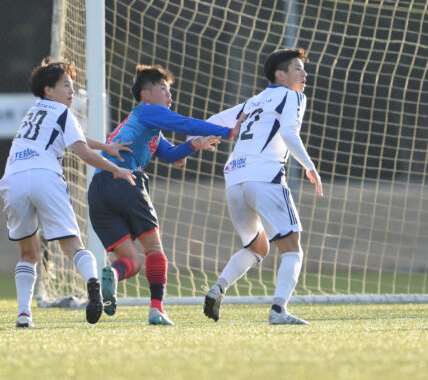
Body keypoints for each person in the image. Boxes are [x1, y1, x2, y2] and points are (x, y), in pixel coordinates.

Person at [88, 64, 242, 325]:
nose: (170, 95)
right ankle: (156, 310)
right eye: (163, 89)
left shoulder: (145, 126)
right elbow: (184, 123)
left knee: (131, 261)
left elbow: (171, 155)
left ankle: (112, 275)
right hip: (125, 180)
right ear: (146, 95)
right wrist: (228, 131)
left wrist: (193, 145)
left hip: (98, 189)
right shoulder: (148, 111)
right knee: (154, 249)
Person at [0, 58, 136, 328]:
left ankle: (24, 314)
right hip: (45, 176)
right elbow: (82, 151)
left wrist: (106, 147)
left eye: (72, 86)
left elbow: (75, 139)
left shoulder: (33, 113)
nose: (72, 91)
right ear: (48, 89)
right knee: (72, 245)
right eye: (66, 85)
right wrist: (115, 169)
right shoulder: (63, 113)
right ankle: (93, 284)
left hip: (13, 178)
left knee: (28, 254)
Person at [201, 47, 323, 325]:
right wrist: (308, 165)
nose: (304, 73)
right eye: (297, 68)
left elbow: (211, 122)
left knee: (258, 247)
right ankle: (279, 311)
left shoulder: (252, 102)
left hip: (234, 179)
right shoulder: (293, 96)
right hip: (265, 176)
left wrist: (193, 144)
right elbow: (289, 132)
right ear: (279, 75)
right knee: (292, 248)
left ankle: (218, 287)